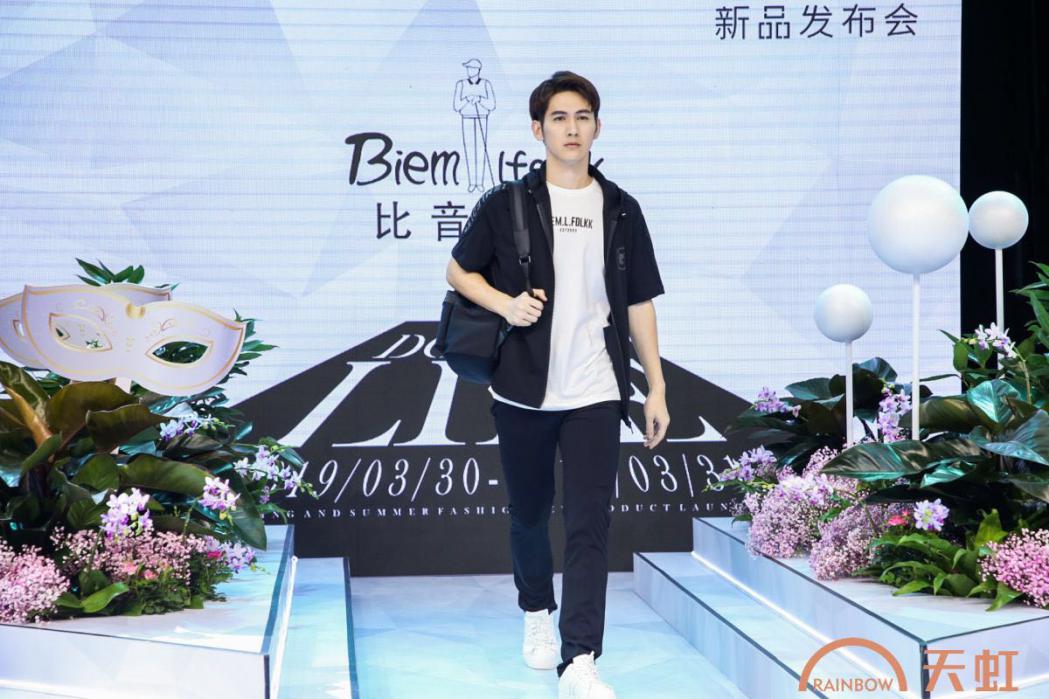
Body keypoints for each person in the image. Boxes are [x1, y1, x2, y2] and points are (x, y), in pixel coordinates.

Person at [445, 71, 669, 699]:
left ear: (597, 127)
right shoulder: (507, 203)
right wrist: (504, 304)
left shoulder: (621, 208)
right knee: (528, 513)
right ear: (538, 129)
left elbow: (639, 302)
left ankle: (580, 659)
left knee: (590, 522)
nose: (572, 129)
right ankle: (536, 610)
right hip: (522, 387)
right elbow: (458, 270)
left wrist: (655, 387)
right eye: (560, 118)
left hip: (596, 388)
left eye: (583, 117)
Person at [453, 58, 496, 193]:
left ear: (477, 70)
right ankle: (472, 183)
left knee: (481, 151)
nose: (469, 71)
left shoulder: (486, 84)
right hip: (467, 118)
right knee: (470, 151)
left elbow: (492, 105)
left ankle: (480, 183)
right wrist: (467, 99)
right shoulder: (461, 84)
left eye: (471, 68)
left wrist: (479, 99)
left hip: (482, 118)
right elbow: (456, 106)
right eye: (468, 68)